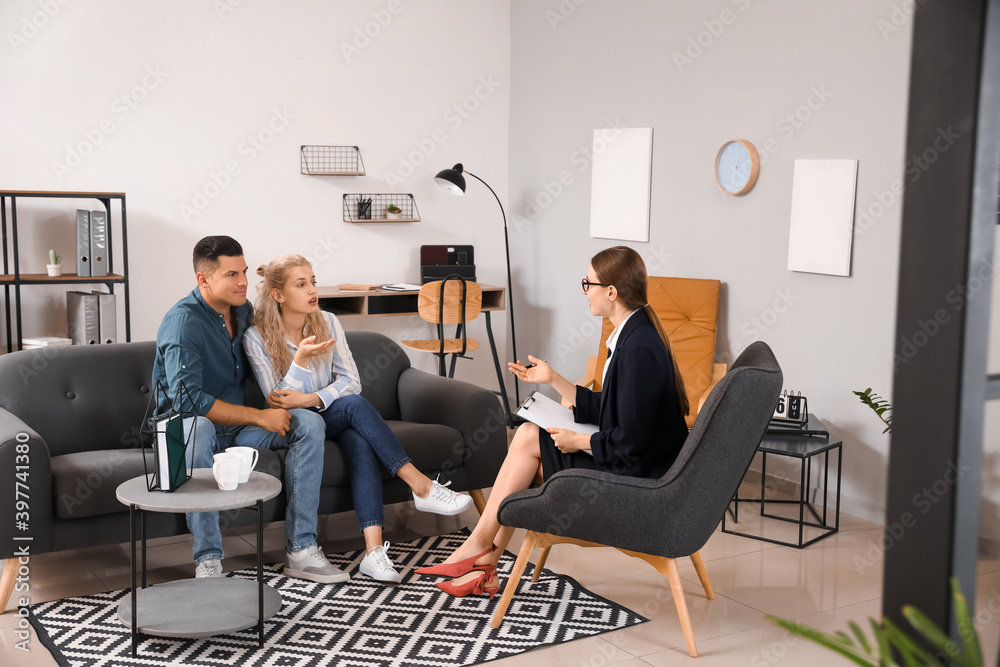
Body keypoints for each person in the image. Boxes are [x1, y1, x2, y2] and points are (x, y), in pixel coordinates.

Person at [416, 246, 690, 598]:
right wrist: (553, 378)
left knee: (529, 438)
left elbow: (631, 439)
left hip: (639, 477)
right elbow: (612, 408)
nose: (585, 292)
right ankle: (484, 558)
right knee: (529, 442)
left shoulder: (639, 347)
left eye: (587, 283)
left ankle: (481, 552)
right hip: (636, 461)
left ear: (611, 292)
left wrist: (579, 442)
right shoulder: (634, 334)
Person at [243, 254, 475, 584]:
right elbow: (277, 399)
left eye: (313, 281)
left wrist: (312, 398)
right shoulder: (256, 337)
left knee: (355, 424)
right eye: (301, 284)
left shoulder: (327, 321)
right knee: (354, 419)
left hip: (327, 412)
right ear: (278, 295)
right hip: (296, 426)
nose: (312, 290)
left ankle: (374, 554)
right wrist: (299, 361)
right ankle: (420, 487)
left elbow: (352, 379)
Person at [152, 236, 348, 584]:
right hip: (182, 434)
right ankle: (208, 560)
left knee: (308, 422)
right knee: (198, 426)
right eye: (231, 274)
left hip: (237, 432)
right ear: (204, 279)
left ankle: (302, 549)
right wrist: (260, 415)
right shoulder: (183, 323)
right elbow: (187, 402)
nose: (243, 281)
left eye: (243, 271)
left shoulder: (242, 312)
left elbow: (275, 333)